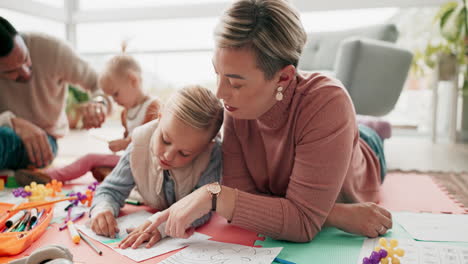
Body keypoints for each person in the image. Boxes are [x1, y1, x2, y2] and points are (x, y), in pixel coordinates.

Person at [131, 0, 392, 244]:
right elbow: (242, 199)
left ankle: (366, 127)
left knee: (361, 129)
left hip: (359, 159)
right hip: (308, 150)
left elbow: (300, 224)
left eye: (235, 82)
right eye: (217, 74)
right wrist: (332, 214)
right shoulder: (237, 107)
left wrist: (212, 194)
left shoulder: (327, 103)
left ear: (284, 78)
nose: (220, 94)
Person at [89, 85, 223, 250]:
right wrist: (102, 210)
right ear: (160, 118)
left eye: (184, 153)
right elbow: (110, 190)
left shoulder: (212, 155)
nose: (168, 155)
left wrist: (161, 226)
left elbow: (203, 209)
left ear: (206, 147)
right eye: (165, 140)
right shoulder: (140, 143)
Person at [14, 47, 161, 184]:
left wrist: (125, 143)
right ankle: (120, 180)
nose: (114, 101)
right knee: (98, 168)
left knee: (89, 159)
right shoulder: (126, 113)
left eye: (116, 94)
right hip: (130, 161)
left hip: (146, 164)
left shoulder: (153, 107)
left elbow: (151, 140)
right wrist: (120, 144)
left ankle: (50, 177)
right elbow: (128, 142)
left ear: (133, 80)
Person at [0, 16, 110, 175]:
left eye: (25, 58)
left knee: (4, 139)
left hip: (44, 142)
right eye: (10, 71)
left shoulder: (51, 49)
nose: (25, 71)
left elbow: (99, 83)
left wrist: (100, 103)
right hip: (5, 129)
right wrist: (11, 122)